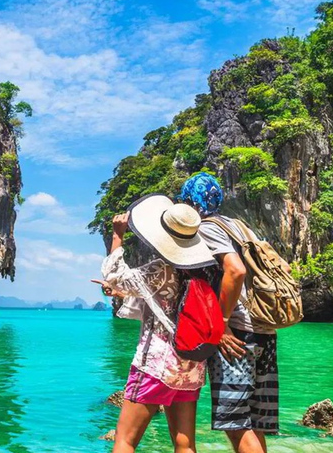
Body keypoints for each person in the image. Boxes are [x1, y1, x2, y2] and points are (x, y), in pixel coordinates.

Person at [91, 194, 218, 453]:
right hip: (191, 364)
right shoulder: (206, 270)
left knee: (125, 441)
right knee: (185, 444)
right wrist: (119, 292)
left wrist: (117, 236)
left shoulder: (162, 269)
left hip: (156, 365)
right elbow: (160, 301)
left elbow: (116, 277)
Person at [178, 172, 279, 453]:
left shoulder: (209, 227)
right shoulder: (238, 225)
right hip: (264, 331)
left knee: (235, 423)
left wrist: (221, 324)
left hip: (239, 334)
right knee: (255, 421)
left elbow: (236, 271)